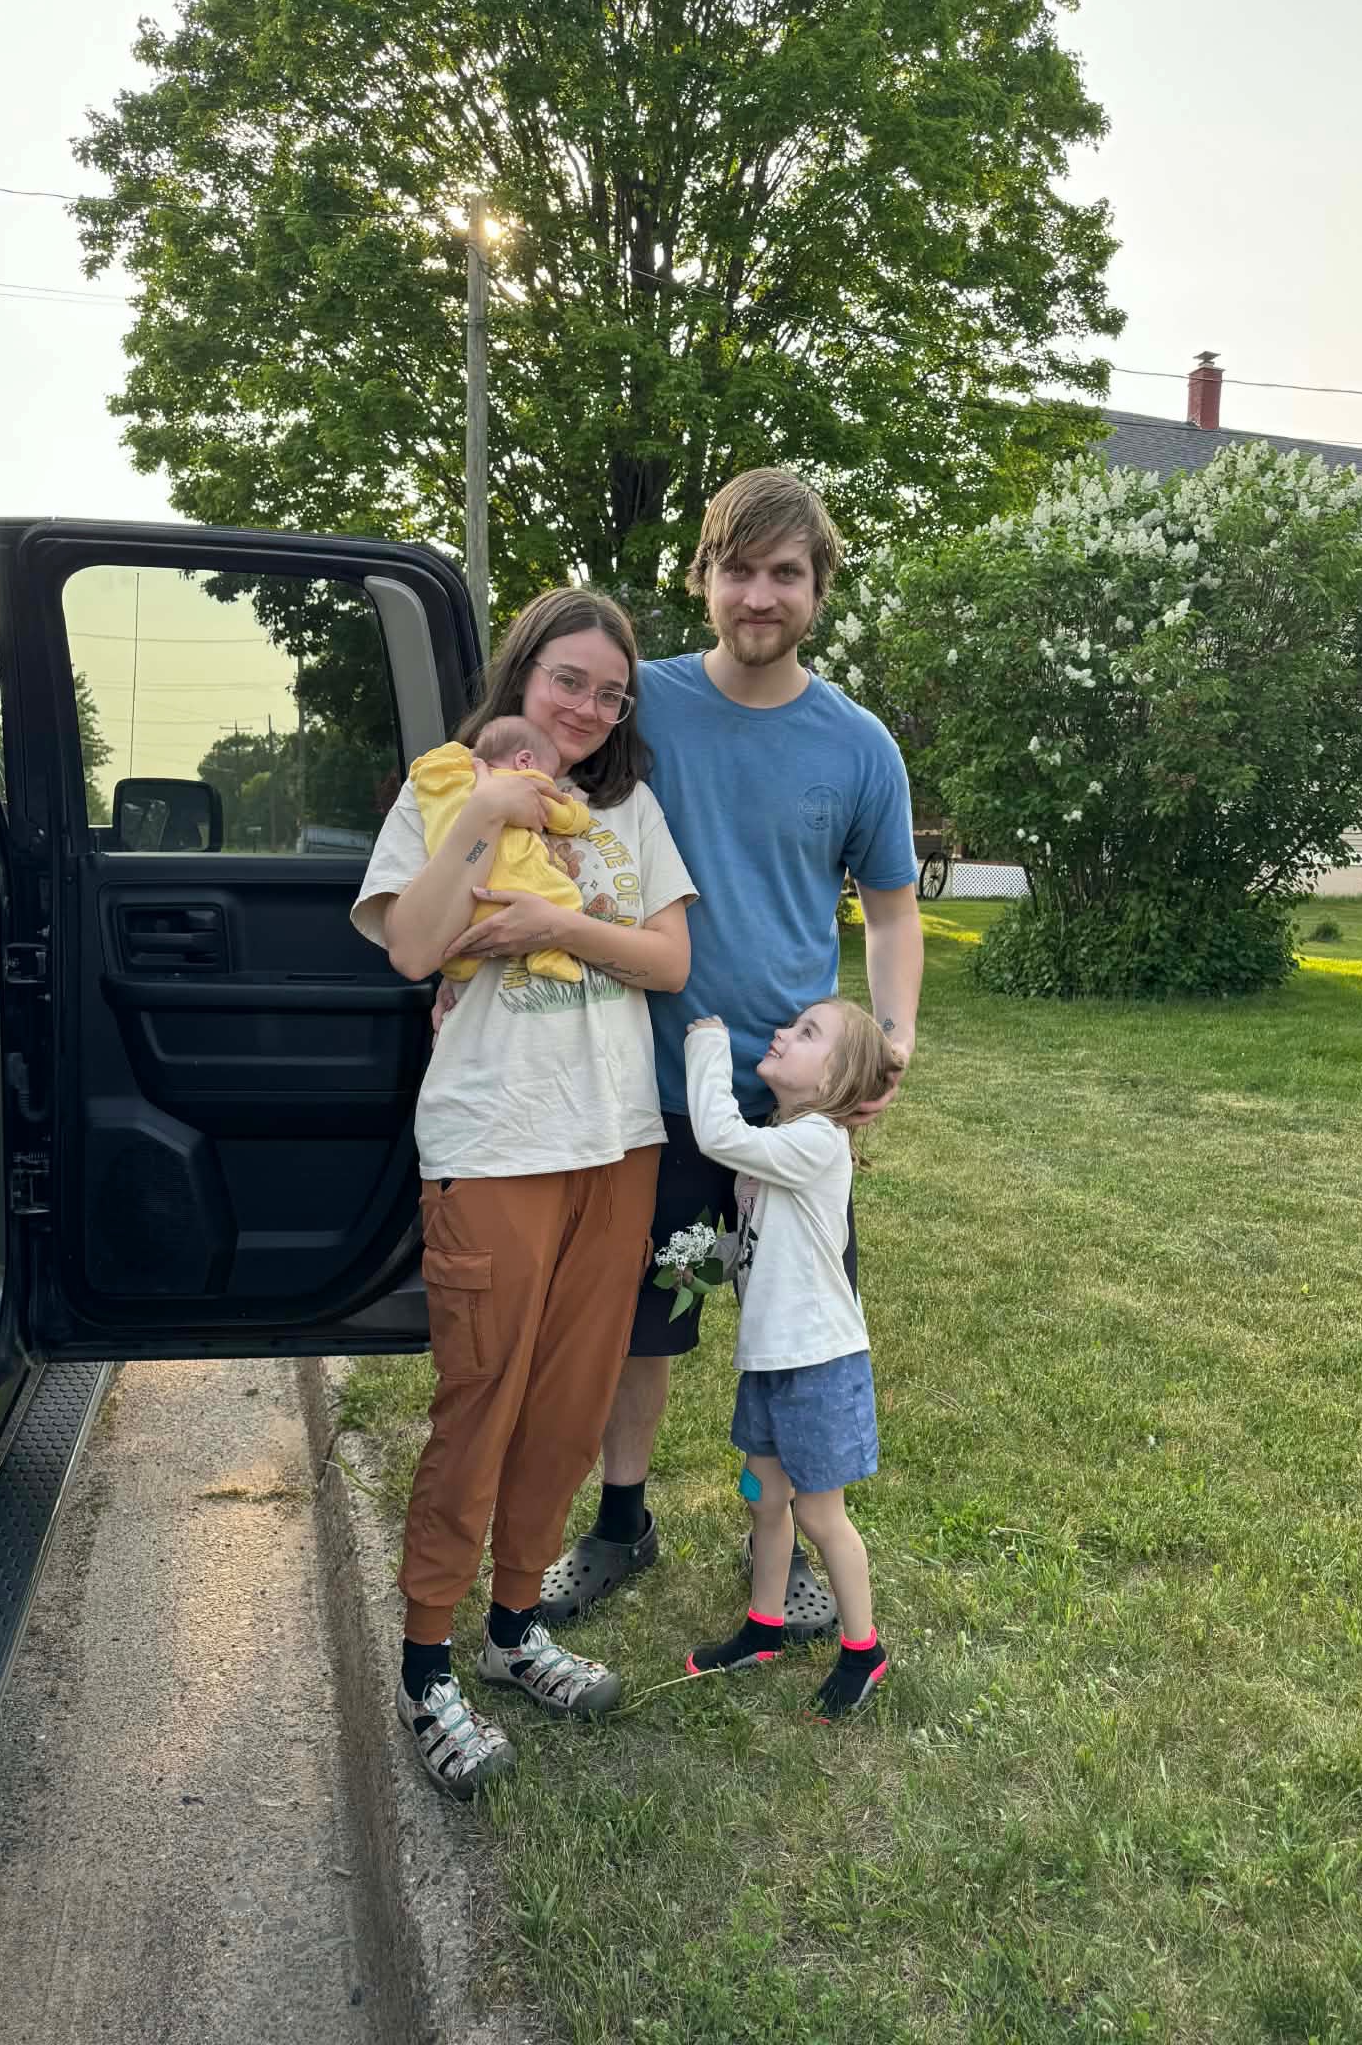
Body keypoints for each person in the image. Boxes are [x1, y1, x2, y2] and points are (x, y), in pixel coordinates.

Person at [542, 468, 923, 1640]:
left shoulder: (859, 745)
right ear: (703, 575)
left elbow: (892, 911)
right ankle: (621, 1523)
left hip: (792, 1109)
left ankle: (801, 1546)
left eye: (785, 573)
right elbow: (538, 800)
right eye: (739, 569)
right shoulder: (639, 708)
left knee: (803, 1340)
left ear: (819, 586)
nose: (760, 595)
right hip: (645, 1089)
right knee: (638, 1329)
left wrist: (894, 1037)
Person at [351, 589, 696, 1800]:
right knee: (482, 1403)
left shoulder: (627, 807)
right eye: (569, 680)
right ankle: (424, 1664)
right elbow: (412, 947)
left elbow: (670, 959)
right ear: (523, 672)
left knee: (568, 1405)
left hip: (618, 1139)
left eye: (611, 693)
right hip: (495, 1138)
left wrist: (557, 919)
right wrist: (490, 815)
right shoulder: (445, 786)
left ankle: (511, 1630)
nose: (589, 709)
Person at [682, 1000, 903, 1719]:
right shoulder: (783, 1141)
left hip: (818, 1363)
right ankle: (764, 1627)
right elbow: (763, 1240)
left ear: (834, 1082)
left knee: (818, 1512)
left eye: (807, 1033)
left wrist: (707, 1045)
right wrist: (702, 1263)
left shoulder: (818, 1141)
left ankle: (863, 1649)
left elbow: (717, 1133)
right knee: (763, 1495)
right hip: (772, 1359)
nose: (782, 1032)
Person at [411, 714, 590, 985]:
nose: (550, 783)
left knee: (466, 942)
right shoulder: (524, 784)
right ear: (525, 761)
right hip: (513, 886)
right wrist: (575, 808)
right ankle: (548, 955)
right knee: (565, 897)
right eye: (550, 775)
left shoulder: (450, 782)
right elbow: (564, 818)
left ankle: (458, 967)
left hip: (462, 898)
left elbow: (427, 766)